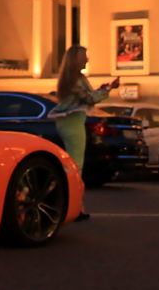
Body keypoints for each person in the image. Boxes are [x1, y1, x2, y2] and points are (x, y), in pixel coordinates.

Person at [49, 44, 118, 221]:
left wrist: (103, 89)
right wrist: (109, 89)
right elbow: (89, 98)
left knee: (73, 164)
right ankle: (73, 207)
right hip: (72, 122)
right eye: (84, 56)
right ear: (76, 59)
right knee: (75, 165)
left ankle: (73, 205)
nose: (88, 59)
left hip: (70, 122)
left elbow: (89, 96)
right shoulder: (74, 79)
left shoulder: (72, 78)